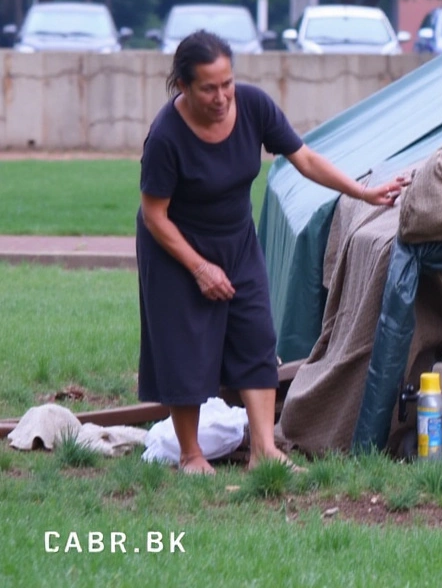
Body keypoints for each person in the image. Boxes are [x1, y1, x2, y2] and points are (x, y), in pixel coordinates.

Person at [137, 30, 407, 475]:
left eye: (227, 83)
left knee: (256, 335)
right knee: (185, 345)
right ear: (183, 86)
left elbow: (304, 159)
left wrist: (364, 191)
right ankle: (191, 455)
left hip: (236, 239)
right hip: (176, 246)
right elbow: (155, 216)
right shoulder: (167, 137)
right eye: (209, 87)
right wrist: (199, 268)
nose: (222, 96)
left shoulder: (254, 106)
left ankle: (264, 449)